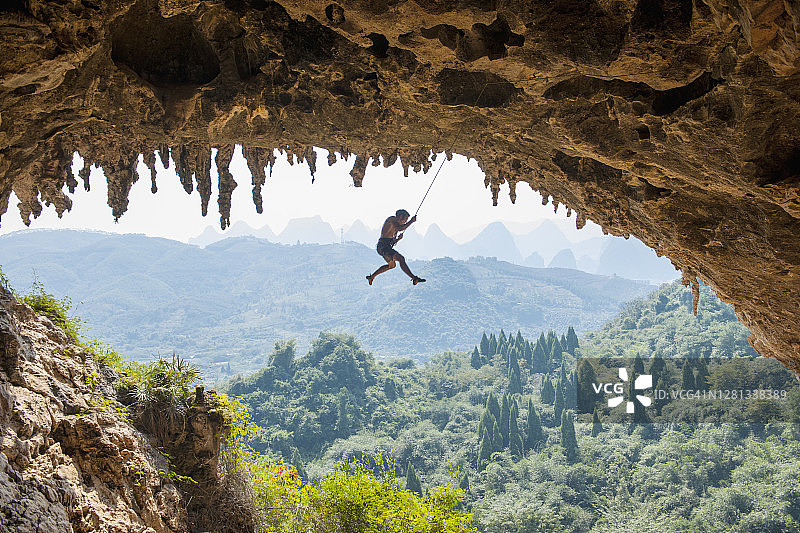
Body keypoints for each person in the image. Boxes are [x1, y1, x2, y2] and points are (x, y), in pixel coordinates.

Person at [367, 209, 426, 285]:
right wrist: (411, 221)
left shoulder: (395, 226)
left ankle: (371, 277)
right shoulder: (392, 219)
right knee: (401, 259)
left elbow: (393, 241)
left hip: (384, 247)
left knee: (392, 266)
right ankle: (414, 278)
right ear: (400, 217)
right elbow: (400, 228)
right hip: (383, 247)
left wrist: (398, 239)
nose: (405, 222)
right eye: (405, 220)